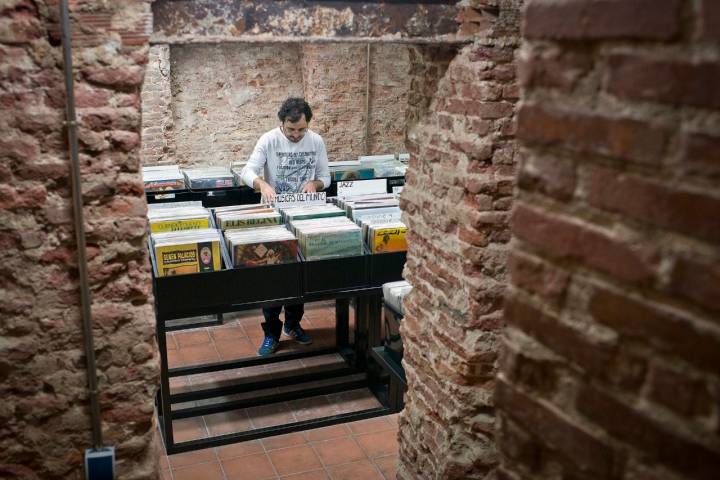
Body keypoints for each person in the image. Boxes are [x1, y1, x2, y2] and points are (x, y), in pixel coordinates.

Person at [240, 97, 331, 356]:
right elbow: (247, 171)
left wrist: (315, 184)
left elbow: (326, 176)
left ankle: (293, 323)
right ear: (282, 123)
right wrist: (263, 184)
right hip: (274, 217)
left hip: (304, 216)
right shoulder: (268, 139)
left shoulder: (316, 141)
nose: (296, 134)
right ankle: (271, 332)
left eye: (301, 129)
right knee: (273, 277)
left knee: (300, 275)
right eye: (291, 130)